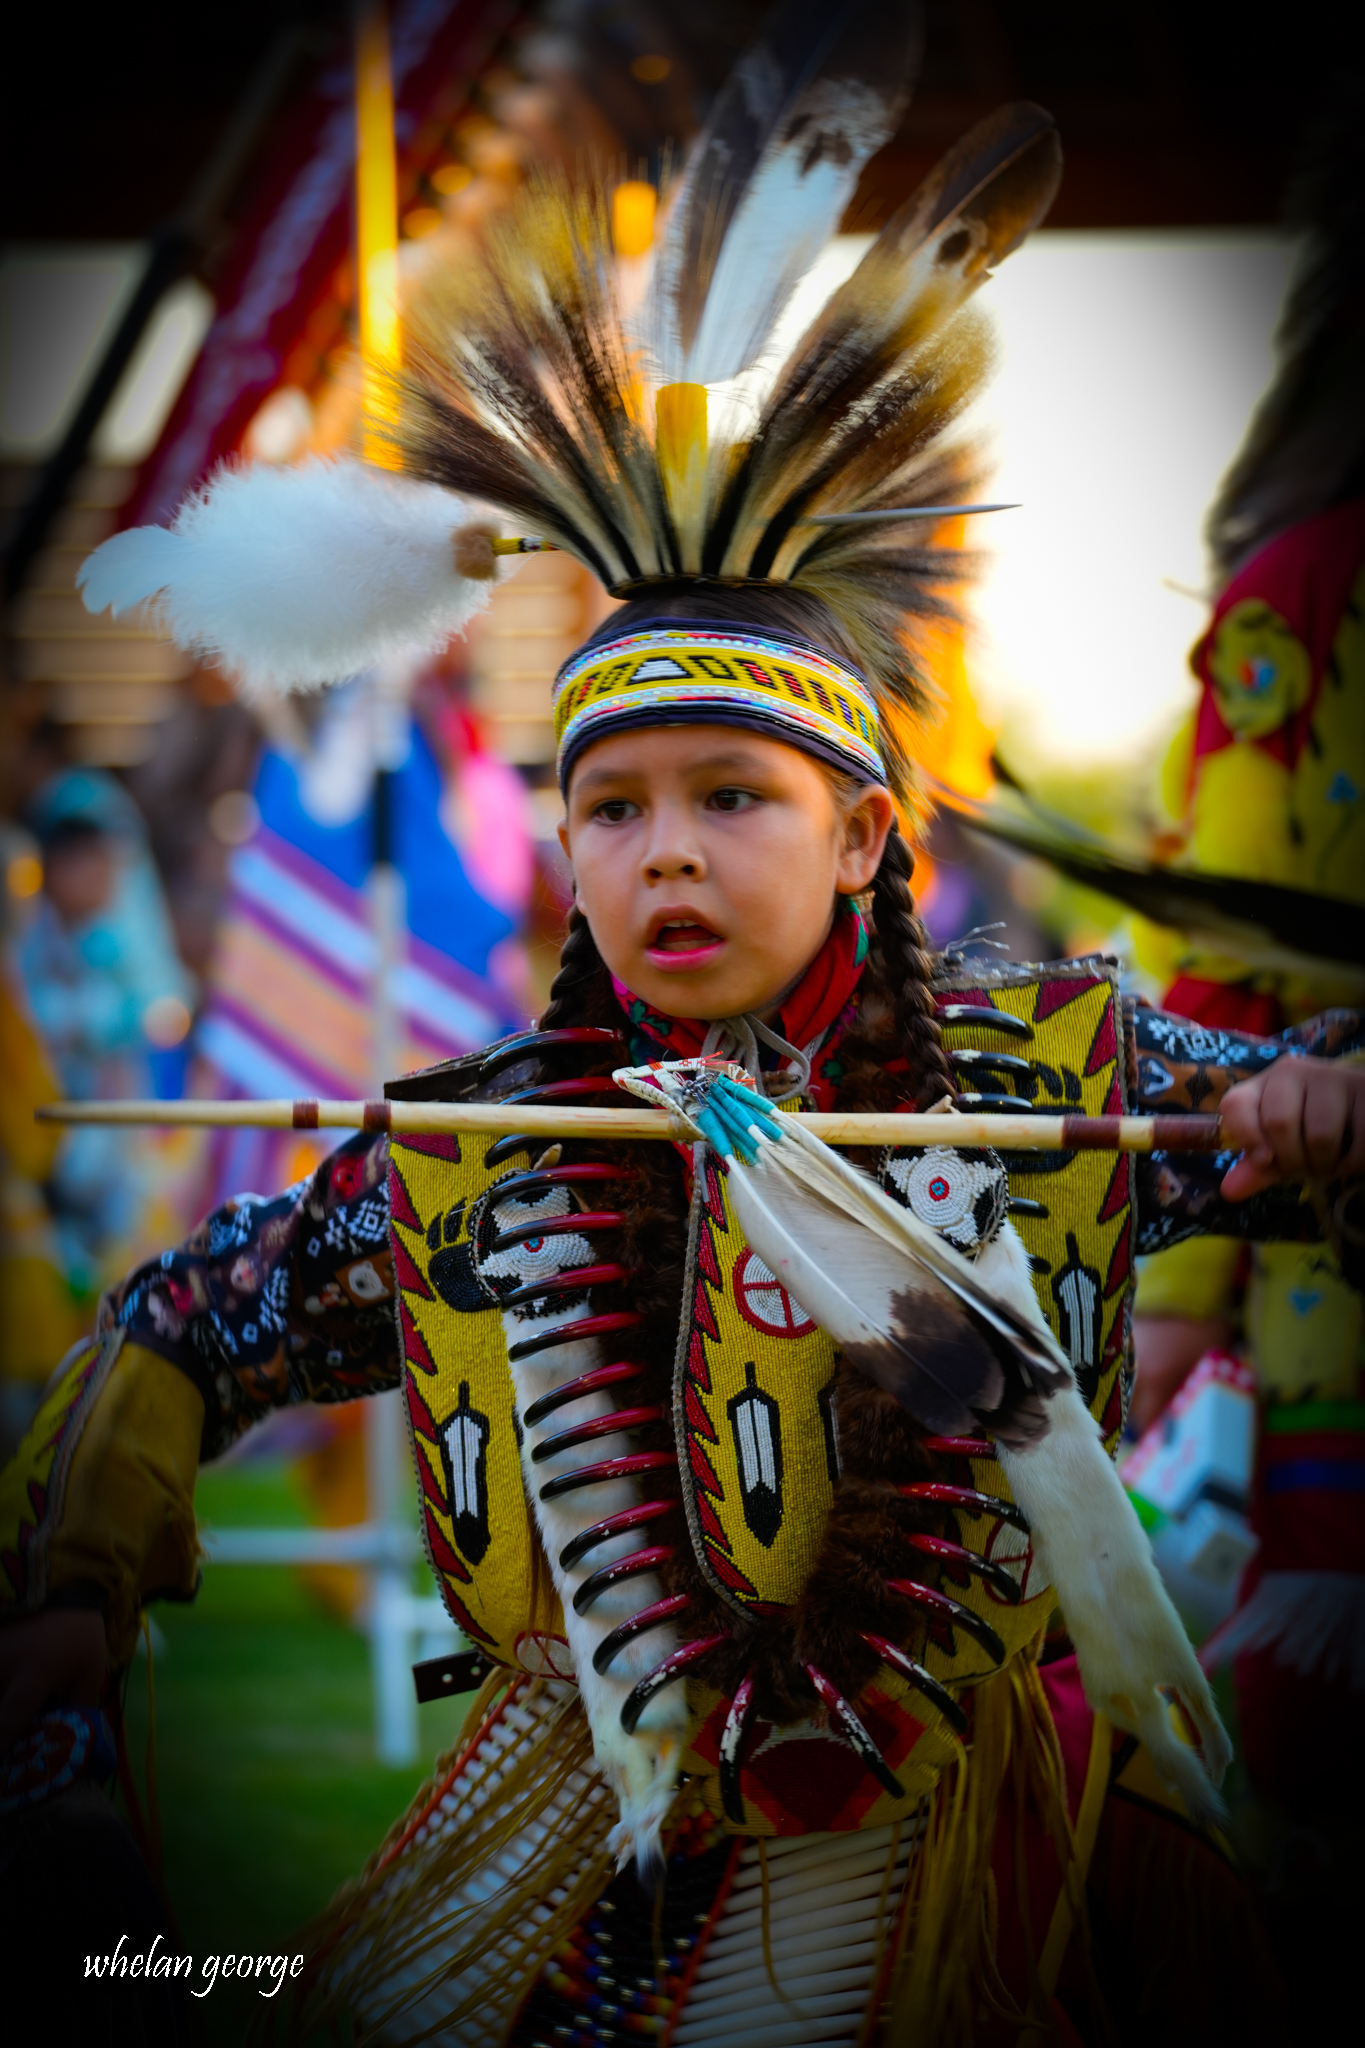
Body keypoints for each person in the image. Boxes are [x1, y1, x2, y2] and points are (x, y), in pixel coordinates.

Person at [3, 36, 1364, 2045]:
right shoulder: (476, 1155)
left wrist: (1319, 1105)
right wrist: (66, 1600)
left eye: (734, 798)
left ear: (863, 837)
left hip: (960, 1851)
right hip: (594, 1826)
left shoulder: (1049, 1078)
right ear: (562, 844)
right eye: (615, 807)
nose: (666, 855)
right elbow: (189, 1325)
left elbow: (1297, 1122)